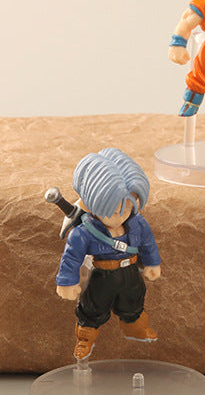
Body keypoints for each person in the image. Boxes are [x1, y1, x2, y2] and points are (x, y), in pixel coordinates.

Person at [55, 149, 162, 360]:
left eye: (128, 207)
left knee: (134, 304)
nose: (121, 215)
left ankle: (136, 329)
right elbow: (71, 257)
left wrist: (152, 263)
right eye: (113, 211)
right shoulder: (84, 232)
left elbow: (148, 243)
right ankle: (85, 339)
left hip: (130, 273)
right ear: (91, 203)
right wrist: (67, 282)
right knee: (91, 311)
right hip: (101, 277)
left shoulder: (137, 223)